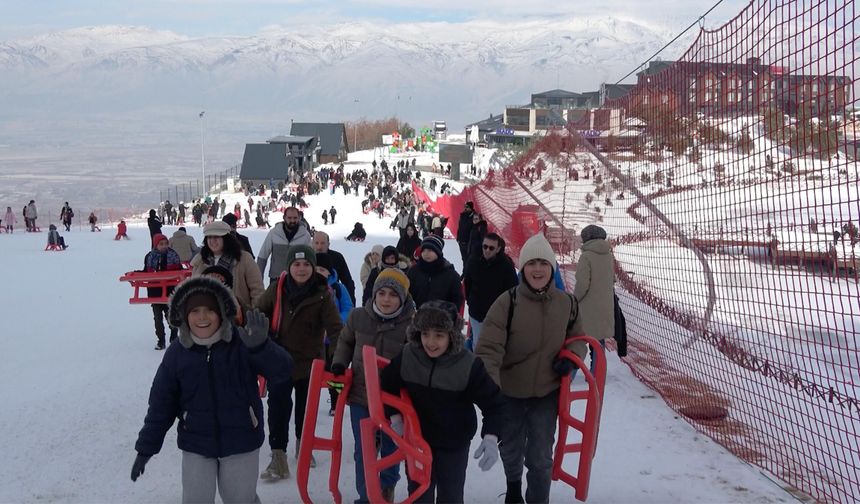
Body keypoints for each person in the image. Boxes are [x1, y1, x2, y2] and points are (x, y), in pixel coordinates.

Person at [130, 277, 293, 504]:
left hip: (241, 440)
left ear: (221, 313)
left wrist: (262, 348)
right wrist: (146, 448)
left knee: (240, 499)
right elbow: (161, 404)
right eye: (195, 311)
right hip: (197, 442)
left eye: (209, 310)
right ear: (185, 315)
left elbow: (283, 372)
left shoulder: (242, 342)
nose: (202, 317)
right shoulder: (177, 353)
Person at [475, 233, 582, 504]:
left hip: (546, 393)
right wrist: (491, 390)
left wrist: (570, 358)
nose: (537, 269)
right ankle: (513, 489)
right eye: (532, 263)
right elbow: (488, 348)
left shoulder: (566, 304)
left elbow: (580, 340)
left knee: (541, 457)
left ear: (551, 268)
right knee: (511, 449)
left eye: (543, 263)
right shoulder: (507, 303)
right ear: (523, 268)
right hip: (510, 391)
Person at [380, 301, 508, 503]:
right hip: (418, 441)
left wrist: (491, 437)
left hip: (453, 444)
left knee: (451, 495)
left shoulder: (468, 364)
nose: (430, 342)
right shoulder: (409, 356)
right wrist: (395, 418)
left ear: (452, 336)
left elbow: (494, 404)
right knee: (419, 493)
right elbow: (387, 384)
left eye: (439, 335)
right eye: (425, 334)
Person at [255, 245, 343, 478]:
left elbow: (336, 330)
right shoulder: (277, 288)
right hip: (279, 362)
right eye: (296, 264)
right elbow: (258, 311)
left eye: (306, 264)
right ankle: (278, 456)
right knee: (278, 409)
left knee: (306, 410)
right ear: (289, 267)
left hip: (309, 364)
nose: (301, 269)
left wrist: (339, 358)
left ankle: (303, 446)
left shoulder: (323, 294)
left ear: (313, 267)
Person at [331, 269, 415, 503]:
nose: (386, 299)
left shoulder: (411, 325)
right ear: (375, 294)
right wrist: (339, 363)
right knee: (363, 449)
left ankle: (386, 487)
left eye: (393, 295)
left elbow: (416, 357)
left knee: (390, 446)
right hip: (361, 395)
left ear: (403, 298)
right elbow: (345, 341)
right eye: (382, 293)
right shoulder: (359, 317)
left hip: (392, 401)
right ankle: (366, 495)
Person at [191, 221, 264, 319]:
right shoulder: (200, 260)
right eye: (209, 237)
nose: (212, 241)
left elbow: (257, 290)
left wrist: (254, 315)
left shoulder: (244, 259)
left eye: (216, 237)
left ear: (226, 239)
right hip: (207, 319)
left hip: (237, 318)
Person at [572, 225, 616, 375]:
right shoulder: (608, 255)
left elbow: (583, 284)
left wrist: (574, 300)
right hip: (606, 306)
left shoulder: (586, 256)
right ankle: (597, 372)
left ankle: (568, 375)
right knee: (598, 341)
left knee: (578, 340)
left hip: (587, 308)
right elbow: (612, 280)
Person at [463, 233, 518, 349]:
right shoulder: (473, 261)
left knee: (494, 347)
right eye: (485, 246)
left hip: (496, 316)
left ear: (498, 249)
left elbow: (512, 290)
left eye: (491, 248)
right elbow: (467, 283)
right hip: (476, 313)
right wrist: (470, 302)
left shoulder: (506, 266)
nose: (487, 250)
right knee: (478, 345)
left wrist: (505, 311)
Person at [144, 233, 182, 350]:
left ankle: (174, 336)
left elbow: (179, 269)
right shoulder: (150, 257)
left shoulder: (173, 255)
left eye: (166, 243)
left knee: (170, 315)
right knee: (157, 318)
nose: (164, 246)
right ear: (156, 245)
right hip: (154, 291)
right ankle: (161, 340)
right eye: (161, 244)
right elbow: (146, 271)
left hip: (170, 291)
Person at [256, 206, 312, 284]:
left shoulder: (305, 235)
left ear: (299, 218)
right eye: (289, 218)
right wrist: (258, 278)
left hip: (298, 279)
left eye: (295, 218)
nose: (292, 220)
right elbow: (263, 255)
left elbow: (311, 259)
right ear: (284, 218)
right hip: (276, 277)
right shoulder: (274, 233)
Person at [406, 235, 462, 309]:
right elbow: (406, 295)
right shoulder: (413, 271)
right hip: (416, 317)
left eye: (430, 250)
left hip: (442, 318)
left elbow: (456, 301)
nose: (426, 253)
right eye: (424, 250)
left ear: (438, 252)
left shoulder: (451, 275)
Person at [312, 231, 357, 306]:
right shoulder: (307, 259)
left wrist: (351, 307)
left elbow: (348, 282)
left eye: (322, 243)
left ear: (328, 244)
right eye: (316, 243)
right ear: (312, 244)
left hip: (333, 300)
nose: (319, 247)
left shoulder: (337, 258)